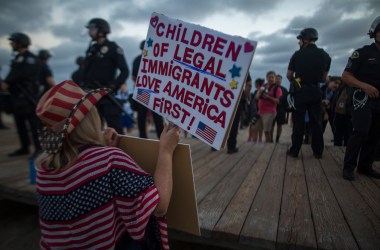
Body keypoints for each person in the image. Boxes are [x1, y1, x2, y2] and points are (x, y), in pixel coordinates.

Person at [35, 80, 180, 249]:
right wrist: (166, 151)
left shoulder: (44, 170)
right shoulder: (109, 160)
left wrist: (101, 149)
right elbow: (159, 207)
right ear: (90, 117)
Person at [342, 16, 380, 181]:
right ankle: (348, 167)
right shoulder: (362, 53)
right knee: (361, 132)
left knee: (375, 134)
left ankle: (365, 167)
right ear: (375, 33)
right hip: (362, 99)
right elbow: (346, 76)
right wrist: (364, 86)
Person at [286, 28, 331, 159]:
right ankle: (318, 152)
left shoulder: (297, 54)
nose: (299, 42)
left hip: (300, 92)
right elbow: (324, 78)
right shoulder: (325, 55)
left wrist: (297, 82)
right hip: (316, 91)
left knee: (298, 122)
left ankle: (294, 151)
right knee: (316, 122)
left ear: (305, 39)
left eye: (300, 39)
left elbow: (289, 75)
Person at [83, 18, 129, 135]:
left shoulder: (113, 48)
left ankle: (121, 152)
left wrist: (113, 85)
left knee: (115, 128)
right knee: (94, 129)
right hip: (91, 94)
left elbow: (124, 71)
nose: (90, 32)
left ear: (101, 30)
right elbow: (85, 71)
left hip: (106, 95)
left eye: (92, 29)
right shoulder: (92, 49)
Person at [1, 32, 42, 158]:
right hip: (17, 97)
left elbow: (23, 74)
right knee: (20, 124)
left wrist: (8, 82)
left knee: (33, 124)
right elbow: (13, 73)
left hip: (28, 97)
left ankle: (38, 148)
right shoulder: (18, 58)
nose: (12, 44)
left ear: (20, 43)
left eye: (14, 42)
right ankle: (24, 147)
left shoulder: (30, 59)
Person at [132, 40, 164, 139]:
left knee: (142, 115)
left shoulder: (137, 59)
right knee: (157, 115)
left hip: (142, 90)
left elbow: (133, 77)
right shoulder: (156, 59)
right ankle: (161, 137)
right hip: (154, 90)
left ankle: (143, 137)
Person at [226, 72, 252, 153]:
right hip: (236, 97)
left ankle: (214, 144)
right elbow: (249, 84)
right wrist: (246, 96)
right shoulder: (242, 64)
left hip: (219, 95)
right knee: (234, 123)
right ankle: (231, 147)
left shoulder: (220, 61)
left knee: (217, 120)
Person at [255, 71, 282, 143]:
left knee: (267, 131)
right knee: (256, 128)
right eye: (269, 77)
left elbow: (279, 101)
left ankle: (268, 147)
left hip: (270, 112)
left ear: (275, 78)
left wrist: (268, 97)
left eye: (272, 77)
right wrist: (259, 92)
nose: (271, 79)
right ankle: (264, 144)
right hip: (260, 111)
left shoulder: (277, 88)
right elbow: (257, 97)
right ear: (266, 78)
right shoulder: (263, 86)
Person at [271, 74, 288, 143]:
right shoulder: (271, 88)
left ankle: (277, 139)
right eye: (276, 79)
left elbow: (287, 100)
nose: (278, 80)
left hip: (281, 110)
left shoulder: (284, 89)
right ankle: (271, 139)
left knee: (279, 125)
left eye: (279, 79)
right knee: (271, 125)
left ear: (281, 80)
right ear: (275, 80)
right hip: (272, 109)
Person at [247, 78, 264, 143]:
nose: (254, 84)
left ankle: (253, 138)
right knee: (257, 125)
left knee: (254, 124)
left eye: (255, 83)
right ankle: (257, 138)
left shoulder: (260, 90)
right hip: (256, 110)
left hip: (257, 110)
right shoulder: (257, 90)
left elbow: (256, 98)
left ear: (257, 84)